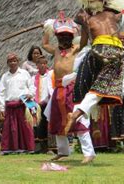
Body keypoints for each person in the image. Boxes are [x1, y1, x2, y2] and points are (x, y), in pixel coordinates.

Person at [68, 0, 124, 151]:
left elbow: (83, 43)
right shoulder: (111, 15)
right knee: (101, 87)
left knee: (97, 85)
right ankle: (80, 112)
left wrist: (76, 49)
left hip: (97, 52)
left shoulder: (88, 21)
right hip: (115, 52)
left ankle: (87, 117)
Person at [42, 13, 95, 164]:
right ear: (57, 37)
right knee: (58, 121)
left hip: (72, 88)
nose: (64, 38)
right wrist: (46, 28)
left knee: (77, 119)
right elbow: (45, 44)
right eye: (61, 36)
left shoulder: (76, 49)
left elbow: (85, 41)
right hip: (58, 90)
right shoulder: (57, 51)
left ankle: (89, 153)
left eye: (67, 35)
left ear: (71, 37)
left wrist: (84, 26)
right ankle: (63, 152)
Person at [0, 53, 37, 154]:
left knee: (26, 127)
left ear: (18, 62)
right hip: (10, 105)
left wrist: (30, 94)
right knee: (11, 129)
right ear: (7, 63)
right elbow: (1, 92)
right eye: (10, 61)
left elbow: (32, 86)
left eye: (14, 61)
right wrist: (2, 108)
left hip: (23, 104)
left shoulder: (24, 73)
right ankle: (10, 148)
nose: (13, 63)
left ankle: (28, 148)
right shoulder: (5, 76)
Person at [33, 56, 53, 153]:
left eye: (44, 63)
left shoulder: (50, 75)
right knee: (40, 125)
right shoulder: (34, 78)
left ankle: (52, 147)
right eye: (40, 63)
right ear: (37, 65)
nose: (43, 65)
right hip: (38, 104)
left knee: (49, 124)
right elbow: (32, 90)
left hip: (49, 103)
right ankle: (43, 147)